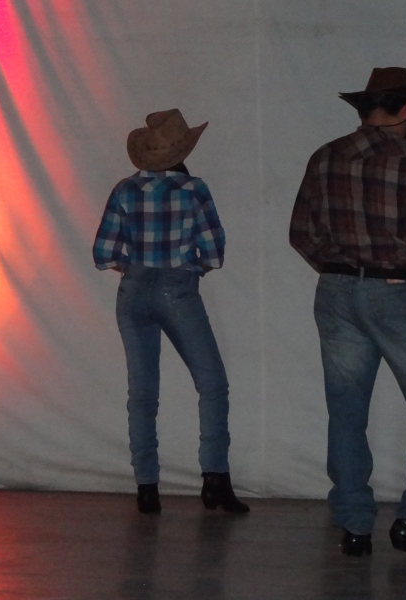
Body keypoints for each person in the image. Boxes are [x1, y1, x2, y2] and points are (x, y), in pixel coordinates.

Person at [289, 67, 406, 558]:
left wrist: (339, 270)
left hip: (335, 292)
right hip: (391, 291)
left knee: (347, 409)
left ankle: (354, 527)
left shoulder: (324, 157)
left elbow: (300, 233)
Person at [93, 109, 248, 515]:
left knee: (142, 393)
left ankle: (147, 489)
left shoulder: (125, 190)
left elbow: (103, 253)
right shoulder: (193, 189)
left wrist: (135, 268)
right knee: (212, 383)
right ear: (182, 151)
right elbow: (214, 253)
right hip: (177, 289)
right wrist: (189, 268)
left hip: (132, 292)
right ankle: (215, 480)